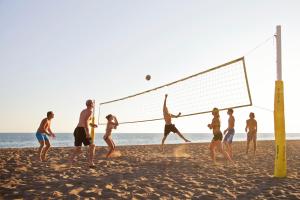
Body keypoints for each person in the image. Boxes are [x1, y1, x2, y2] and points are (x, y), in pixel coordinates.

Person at [69, 100, 97, 168]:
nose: (93, 104)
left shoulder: (83, 111)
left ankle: (70, 161)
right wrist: (87, 132)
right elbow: (85, 121)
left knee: (78, 148)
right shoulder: (90, 111)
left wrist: (92, 124)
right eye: (93, 104)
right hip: (83, 130)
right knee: (92, 146)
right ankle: (91, 163)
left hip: (77, 130)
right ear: (91, 104)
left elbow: (85, 120)